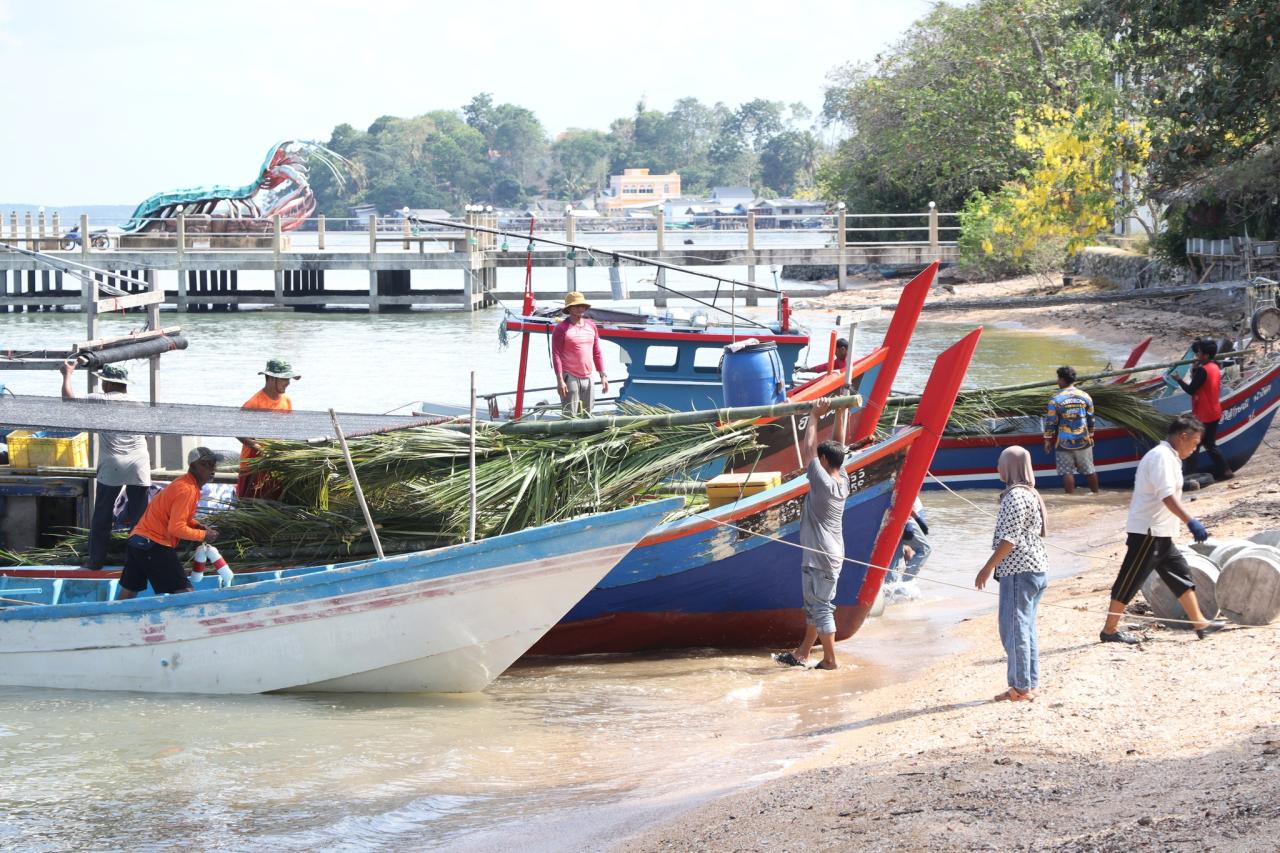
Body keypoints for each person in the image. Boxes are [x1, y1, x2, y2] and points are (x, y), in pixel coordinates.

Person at [1099, 415, 1224, 644]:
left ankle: (1200, 624)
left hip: (1162, 533)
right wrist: (1190, 521)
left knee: (1181, 575)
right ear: (1182, 436)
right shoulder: (1161, 457)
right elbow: (1166, 496)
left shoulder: (1171, 457)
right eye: (1195, 443)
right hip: (1148, 532)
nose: (1195, 449)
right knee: (1130, 580)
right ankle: (1109, 630)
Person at [775, 398, 849, 670]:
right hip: (825, 554)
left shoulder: (823, 482)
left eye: (821, 458)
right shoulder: (843, 479)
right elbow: (838, 447)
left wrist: (814, 416)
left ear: (824, 461)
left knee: (821, 608)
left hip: (821, 557)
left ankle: (830, 659)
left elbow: (808, 451)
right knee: (814, 607)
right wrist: (840, 413)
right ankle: (803, 653)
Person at [59, 360, 151, 570]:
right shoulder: (138, 402)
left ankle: (95, 561)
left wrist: (67, 374)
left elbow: (68, 400)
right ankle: (137, 564)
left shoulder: (101, 399)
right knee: (140, 518)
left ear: (107, 384)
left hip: (114, 462)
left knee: (103, 513)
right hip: (139, 461)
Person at [975, 446, 1050, 702]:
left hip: (1020, 570)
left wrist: (987, 568)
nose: (998, 467)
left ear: (1010, 466)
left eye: (1000, 463)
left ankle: (1020, 687)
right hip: (1035, 567)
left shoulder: (1016, 496)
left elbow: (1010, 539)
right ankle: (1029, 683)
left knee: (1014, 629)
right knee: (1025, 627)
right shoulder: (1030, 493)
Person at [117, 447, 220, 600]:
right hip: (153, 543)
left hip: (137, 541)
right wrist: (203, 535)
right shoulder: (187, 489)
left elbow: (175, 516)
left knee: (129, 590)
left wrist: (196, 525)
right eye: (206, 464)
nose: (211, 469)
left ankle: (117, 619)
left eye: (213, 465)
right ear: (192, 466)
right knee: (185, 595)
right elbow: (176, 528)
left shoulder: (184, 483)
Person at [236, 358, 299, 498]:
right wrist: (259, 447)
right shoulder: (254, 403)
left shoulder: (286, 401)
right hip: (253, 466)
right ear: (271, 378)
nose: (288, 383)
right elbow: (238, 431)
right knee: (250, 506)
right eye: (284, 379)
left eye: (288, 379)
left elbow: (289, 429)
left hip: (275, 462)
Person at [1172, 338, 1232, 481]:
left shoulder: (1203, 370)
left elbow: (1191, 390)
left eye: (1199, 352)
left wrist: (1179, 379)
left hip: (1203, 415)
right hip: (1214, 411)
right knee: (1210, 445)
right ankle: (1226, 470)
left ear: (1205, 355)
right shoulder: (1215, 366)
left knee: (1194, 444)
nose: (1197, 354)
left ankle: (1189, 476)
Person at [1043, 365, 1099, 495]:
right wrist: (1090, 434)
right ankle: (1096, 495)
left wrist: (1047, 439)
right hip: (1083, 440)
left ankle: (1072, 498)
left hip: (1064, 441)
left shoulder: (1055, 399)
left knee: (1067, 472)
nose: (1057, 381)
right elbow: (1091, 418)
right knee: (1089, 470)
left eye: (1058, 378)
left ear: (1062, 379)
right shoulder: (1085, 396)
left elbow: (1051, 421)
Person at [551, 292, 608, 416]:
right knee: (570, 417)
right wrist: (560, 380)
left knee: (587, 415)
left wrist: (603, 375)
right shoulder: (561, 328)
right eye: (576, 306)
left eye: (582, 306)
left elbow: (597, 352)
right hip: (570, 376)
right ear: (569, 308)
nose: (580, 309)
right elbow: (556, 355)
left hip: (588, 377)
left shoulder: (591, 326)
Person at [886, 497, 931, 587]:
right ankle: (905, 582)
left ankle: (889, 585)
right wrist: (917, 519)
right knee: (925, 549)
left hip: (892, 517)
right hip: (907, 518)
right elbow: (908, 502)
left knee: (895, 553)